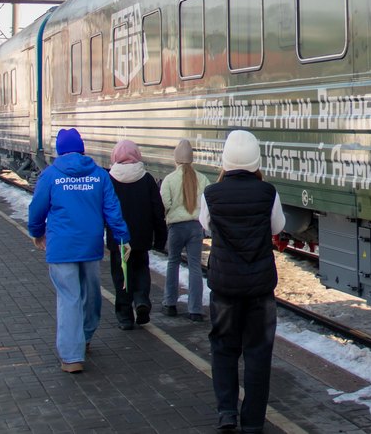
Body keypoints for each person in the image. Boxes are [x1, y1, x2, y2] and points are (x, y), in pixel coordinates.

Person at [200, 129, 286, 434]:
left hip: (224, 286)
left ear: (225, 159)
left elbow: (206, 226)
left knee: (223, 348)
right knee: (258, 354)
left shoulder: (211, 193)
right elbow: (278, 226)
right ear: (256, 160)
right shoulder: (269, 192)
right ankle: (252, 422)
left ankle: (226, 411)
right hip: (260, 288)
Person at [27, 128, 130, 374]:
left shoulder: (51, 175)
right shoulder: (98, 175)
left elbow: (37, 208)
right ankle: (84, 336)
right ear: (82, 148)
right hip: (90, 245)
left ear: (60, 150)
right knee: (91, 294)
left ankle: (72, 356)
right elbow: (112, 210)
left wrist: (37, 232)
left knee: (69, 297)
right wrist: (123, 238)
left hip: (61, 246)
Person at [105, 140, 167, 331]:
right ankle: (141, 300)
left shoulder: (110, 179)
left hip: (119, 240)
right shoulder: (146, 179)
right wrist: (160, 238)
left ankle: (125, 317)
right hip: (142, 237)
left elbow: (105, 209)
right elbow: (158, 210)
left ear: (115, 157)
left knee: (121, 275)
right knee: (141, 270)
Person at [160, 139, 210, 322]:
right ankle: (195, 309)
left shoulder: (169, 179)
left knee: (173, 262)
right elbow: (207, 203)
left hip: (176, 227)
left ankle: (170, 304)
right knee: (195, 266)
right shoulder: (202, 178)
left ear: (176, 159)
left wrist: (170, 213)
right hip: (196, 226)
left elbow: (165, 202)